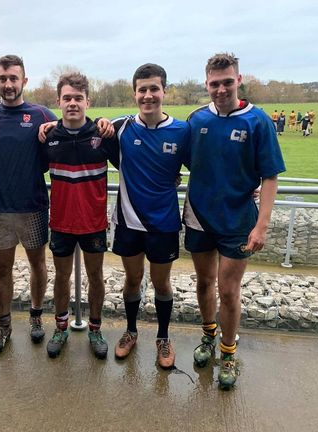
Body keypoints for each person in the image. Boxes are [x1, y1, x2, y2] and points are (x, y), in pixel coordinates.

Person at [184, 53, 285, 390]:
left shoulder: (258, 121)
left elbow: (270, 177)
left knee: (228, 290)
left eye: (227, 82)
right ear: (206, 84)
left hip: (239, 221)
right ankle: (208, 336)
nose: (221, 89)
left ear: (238, 80)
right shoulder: (196, 120)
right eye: (215, 83)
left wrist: (262, 225)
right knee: (203, 284)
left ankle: (228, 352)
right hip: (199, 216)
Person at [105, 64, 191, 370]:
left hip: (164, 224)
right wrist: (46, 127)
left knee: (162, 283)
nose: (148, 95)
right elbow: (80, 133)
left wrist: (249, 187)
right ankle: (130, 331)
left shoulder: (183, 131)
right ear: (134, 94)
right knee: (132, 279)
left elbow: (207, 169)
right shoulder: (119, 128)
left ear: (164, 91)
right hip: (128, 222)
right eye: (142, 89)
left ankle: (163, 338)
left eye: (154, 88)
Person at [0, 55, 58, 355]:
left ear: (24, 80)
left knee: (38, 264)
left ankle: (36, 316)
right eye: (2, 79)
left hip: (34, 207)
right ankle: (4, 324)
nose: (8, 84)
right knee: (3, 270)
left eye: (14, 78)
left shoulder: (41, 114)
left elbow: (57, 151)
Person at [40, 72, 113, 360]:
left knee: (96, 276)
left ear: (87, 101)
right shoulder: (49, 136)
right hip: (60, 222)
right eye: (67, 98)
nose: (72, 103)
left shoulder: (103, 134)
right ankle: (60, 327)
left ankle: (95, 329)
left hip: (93, 223)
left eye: (78, 98)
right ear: (58, 101)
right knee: (61, 276)